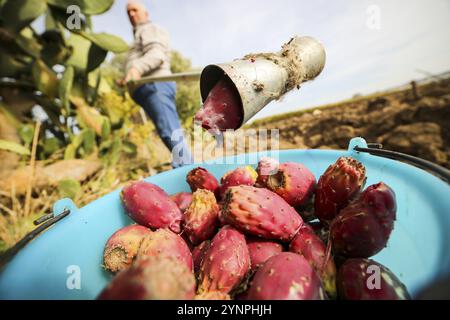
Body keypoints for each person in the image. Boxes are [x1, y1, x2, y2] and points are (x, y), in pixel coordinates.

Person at [119, 0, 193, 168]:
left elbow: (156, 54)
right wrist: (128, 76)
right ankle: (186, 169)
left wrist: (136, 69)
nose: (131, 14)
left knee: (170, 132)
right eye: (128, 12)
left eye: (134, 10)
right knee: (166, 131)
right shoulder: (139, 35)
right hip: (148, 88)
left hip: (156, 86)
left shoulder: (149, 29)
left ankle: (189, 172)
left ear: (146, 13)